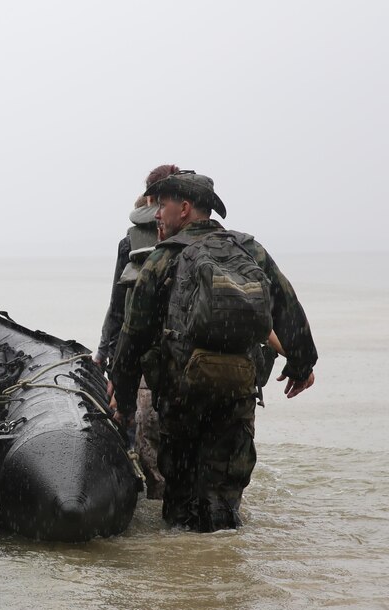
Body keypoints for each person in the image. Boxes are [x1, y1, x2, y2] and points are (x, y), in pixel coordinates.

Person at [110, 171, 318, 532]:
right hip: (237, 395)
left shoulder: (162, 259)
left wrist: (125, 403)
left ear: (185, 209)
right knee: (226, 493)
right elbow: (288, 306)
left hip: (183, 398)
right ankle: (226, 574)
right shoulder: (249, 249)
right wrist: (301, 364)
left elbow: (134, 336)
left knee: (182, 501)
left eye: (163, 206)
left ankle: (186, 576)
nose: (156, 215)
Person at [93, 164, 179, 499]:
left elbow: (119, 307)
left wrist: (103, 352)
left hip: (142, 362)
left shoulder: (130, 242)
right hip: (182, 362)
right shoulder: (204, 242)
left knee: (143, 446)